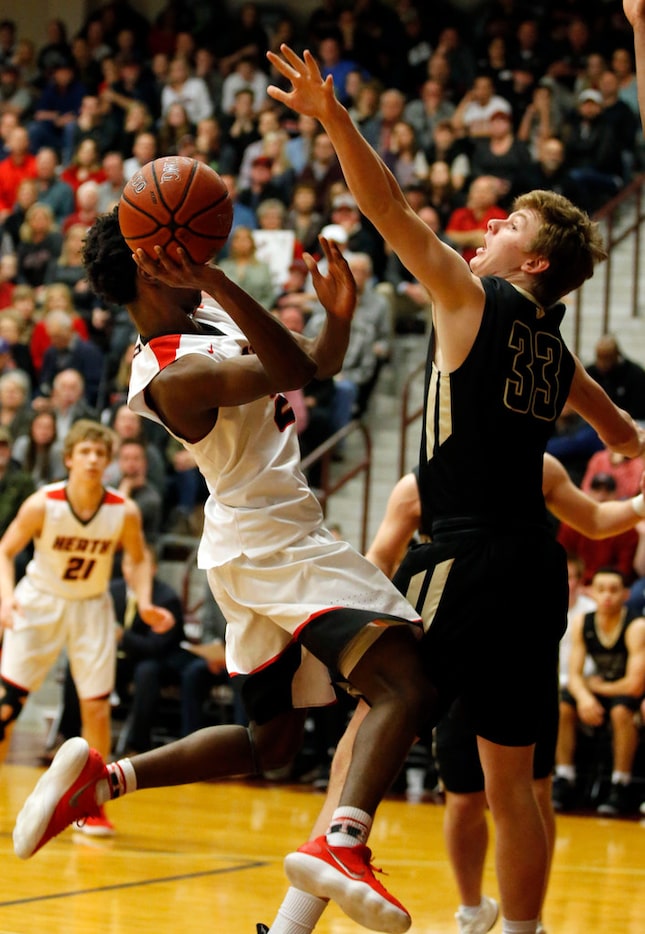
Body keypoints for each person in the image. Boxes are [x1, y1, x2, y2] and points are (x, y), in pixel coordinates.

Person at [265, 44, 645, 934]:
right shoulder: (553, 355)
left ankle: (316, 885)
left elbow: (387, 207)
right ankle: (516, 931)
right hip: (533, 571)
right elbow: (625, 435)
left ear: (534, 262)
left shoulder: (474, 301)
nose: (488, 228)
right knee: (514, 787)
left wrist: (334, 120)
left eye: (508, 222)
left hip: (464, 553)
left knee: (374, 711)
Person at [13, 209, 436, 934]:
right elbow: (294, 369)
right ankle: (341, 846)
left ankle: (102, 780)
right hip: (275, 543)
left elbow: (316, 359)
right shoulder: (173, 375)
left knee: (270, 747)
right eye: (187, 247)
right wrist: (223, 280)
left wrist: (336, 318)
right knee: (406, 680)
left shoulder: (201, 310)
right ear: (153, 266)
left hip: (253, 542)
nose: (203, 252)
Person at [262, 452, 645, 934]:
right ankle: (474, 914)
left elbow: (593, 517)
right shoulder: (427, 484)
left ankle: (293, 923)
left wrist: (637, 501)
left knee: (512, 787)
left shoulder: (536, 466)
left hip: (495, 609)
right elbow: (380, 558)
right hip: (468, 612)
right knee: (470, 791)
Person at [0, 419, 173, 833]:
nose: (94, 460)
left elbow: (136, 558)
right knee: (7, 705)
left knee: (96, 707)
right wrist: (6, 600)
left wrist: (145, 601)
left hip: (91, 606)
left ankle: (91, 805)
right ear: (69, 459)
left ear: (109, 462)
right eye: (86, 453)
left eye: (101, 454)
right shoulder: (43, 503)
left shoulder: (123, 511)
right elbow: (6, 551)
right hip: (39, 601)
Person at [553, 566, 645, 817]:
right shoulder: (584, 621)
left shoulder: (636, 625)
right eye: (601, 589)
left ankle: (620, 783)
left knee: (619, 711)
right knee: (563, 705)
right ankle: (565, 778)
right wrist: (584, 697)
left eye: (614, 590)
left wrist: (597, 688)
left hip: (625, 690)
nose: (607, 596)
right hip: (599, 687)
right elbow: (573, 674)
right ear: (591, 592)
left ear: (626, 594)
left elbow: (635, 684)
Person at [556, 472, 640, 586]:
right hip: (575, 586)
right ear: (588, 492)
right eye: (597, 490)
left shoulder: (628, 528)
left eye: (607, 491)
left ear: (617, 495)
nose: (601, 496)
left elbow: (624, 570)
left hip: (609, 589)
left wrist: (599, 589)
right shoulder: (570, 524)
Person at [585, 333, 645, 422]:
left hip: (627, 423)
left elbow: (639, 412)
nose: (602, 363)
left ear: (617, 355)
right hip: (593, 422)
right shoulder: (590, 372)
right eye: (599, 357)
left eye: (606, 358)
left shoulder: (635, 375)